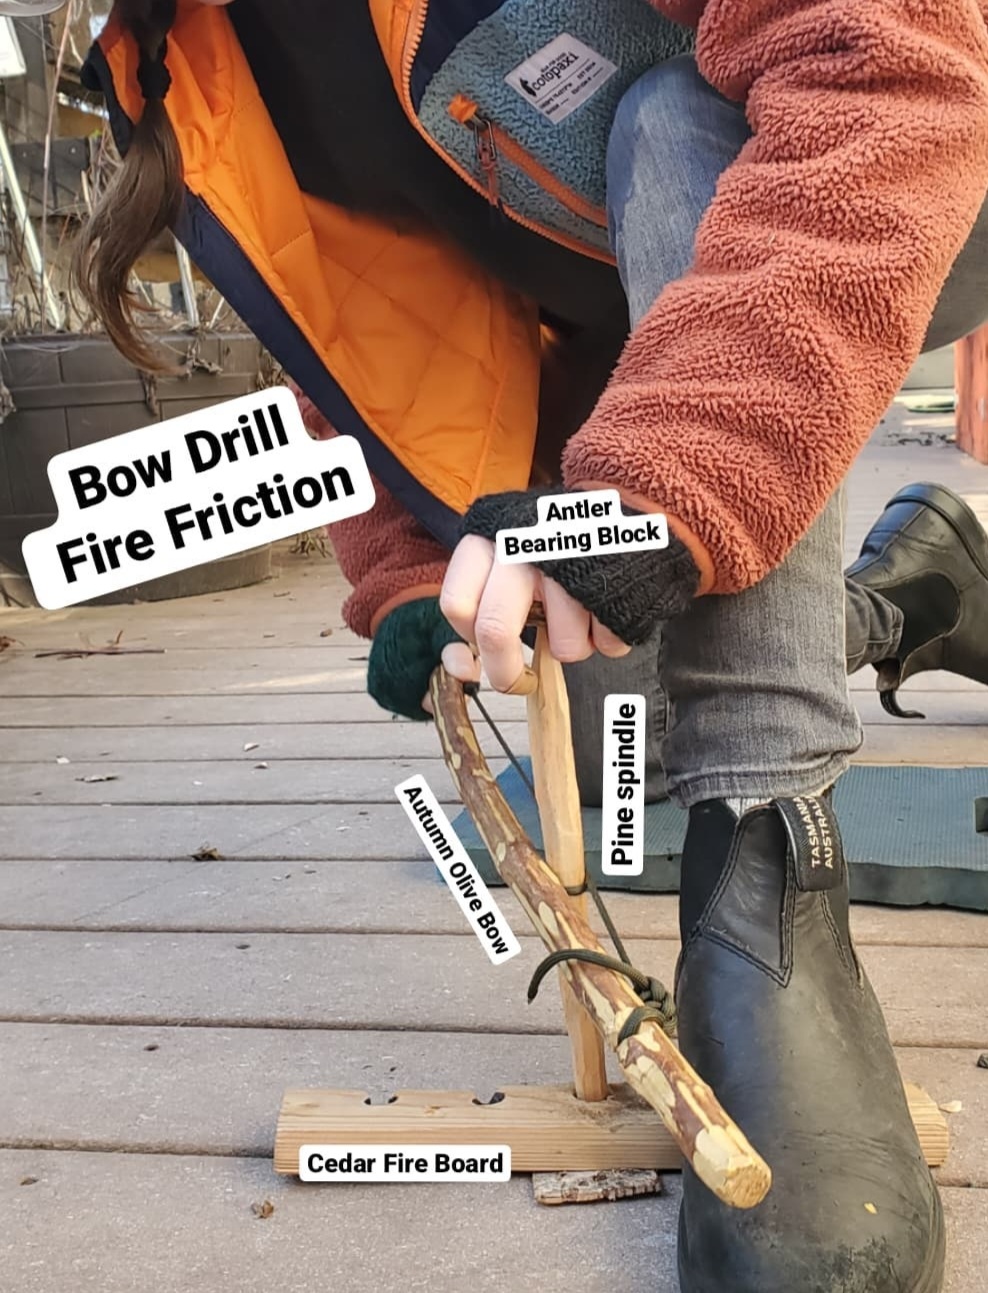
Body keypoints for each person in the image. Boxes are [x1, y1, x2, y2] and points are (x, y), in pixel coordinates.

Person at [15, 1, 988, 1288]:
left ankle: (768, 851)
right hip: (623, 343)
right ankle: (914, 593)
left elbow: (881, 76)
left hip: (881, 170)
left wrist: (663, 481)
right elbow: (360, 321)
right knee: (610, 744)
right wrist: (412, 570)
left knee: (669, 115)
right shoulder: (199, 46)